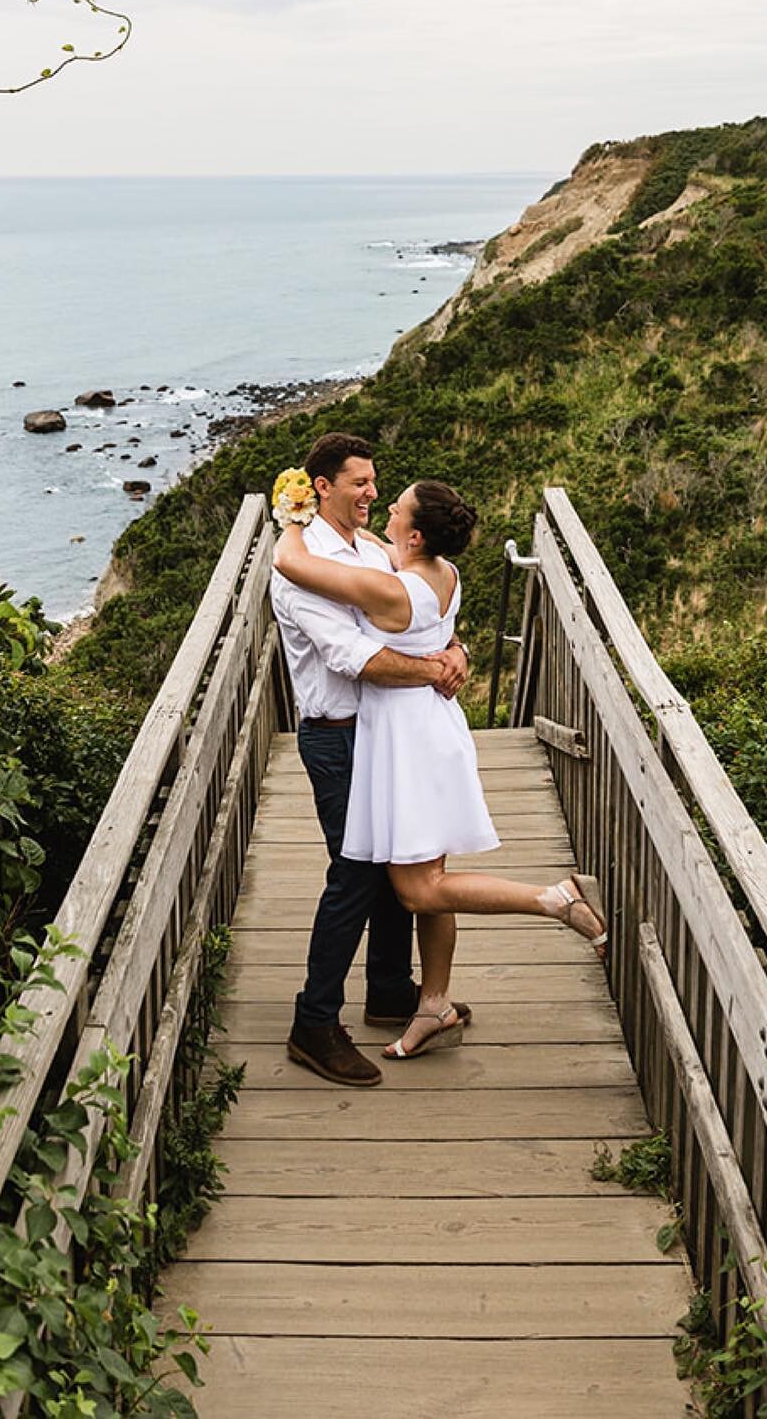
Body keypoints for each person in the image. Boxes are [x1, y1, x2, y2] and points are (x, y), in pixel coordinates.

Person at [274, 475, 608, 1063]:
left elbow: (296, 567)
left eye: (395, 507)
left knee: (416, 888)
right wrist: (457, 653)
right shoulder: (444, 573)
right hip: (434, 730)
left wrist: (291, 522)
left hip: (408, 741)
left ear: (416, 532)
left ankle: (552, 899)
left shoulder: (392, 588)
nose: (384, 510)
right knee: (432, 877)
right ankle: (431, 1003)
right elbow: (436, 623)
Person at [273, 432, 474, 1089]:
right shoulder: (303, 561)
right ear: (321, 486)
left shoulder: (368, 551)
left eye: (375, 481)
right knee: (355, 875)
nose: (372, 493)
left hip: (386, 733)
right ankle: (314, 1023)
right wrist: (431, 671)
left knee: (399, 856)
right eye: (358, 482)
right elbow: (354, 658)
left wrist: (454, 651)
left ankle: (389, 988)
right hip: (337, 737)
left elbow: (415, 617)